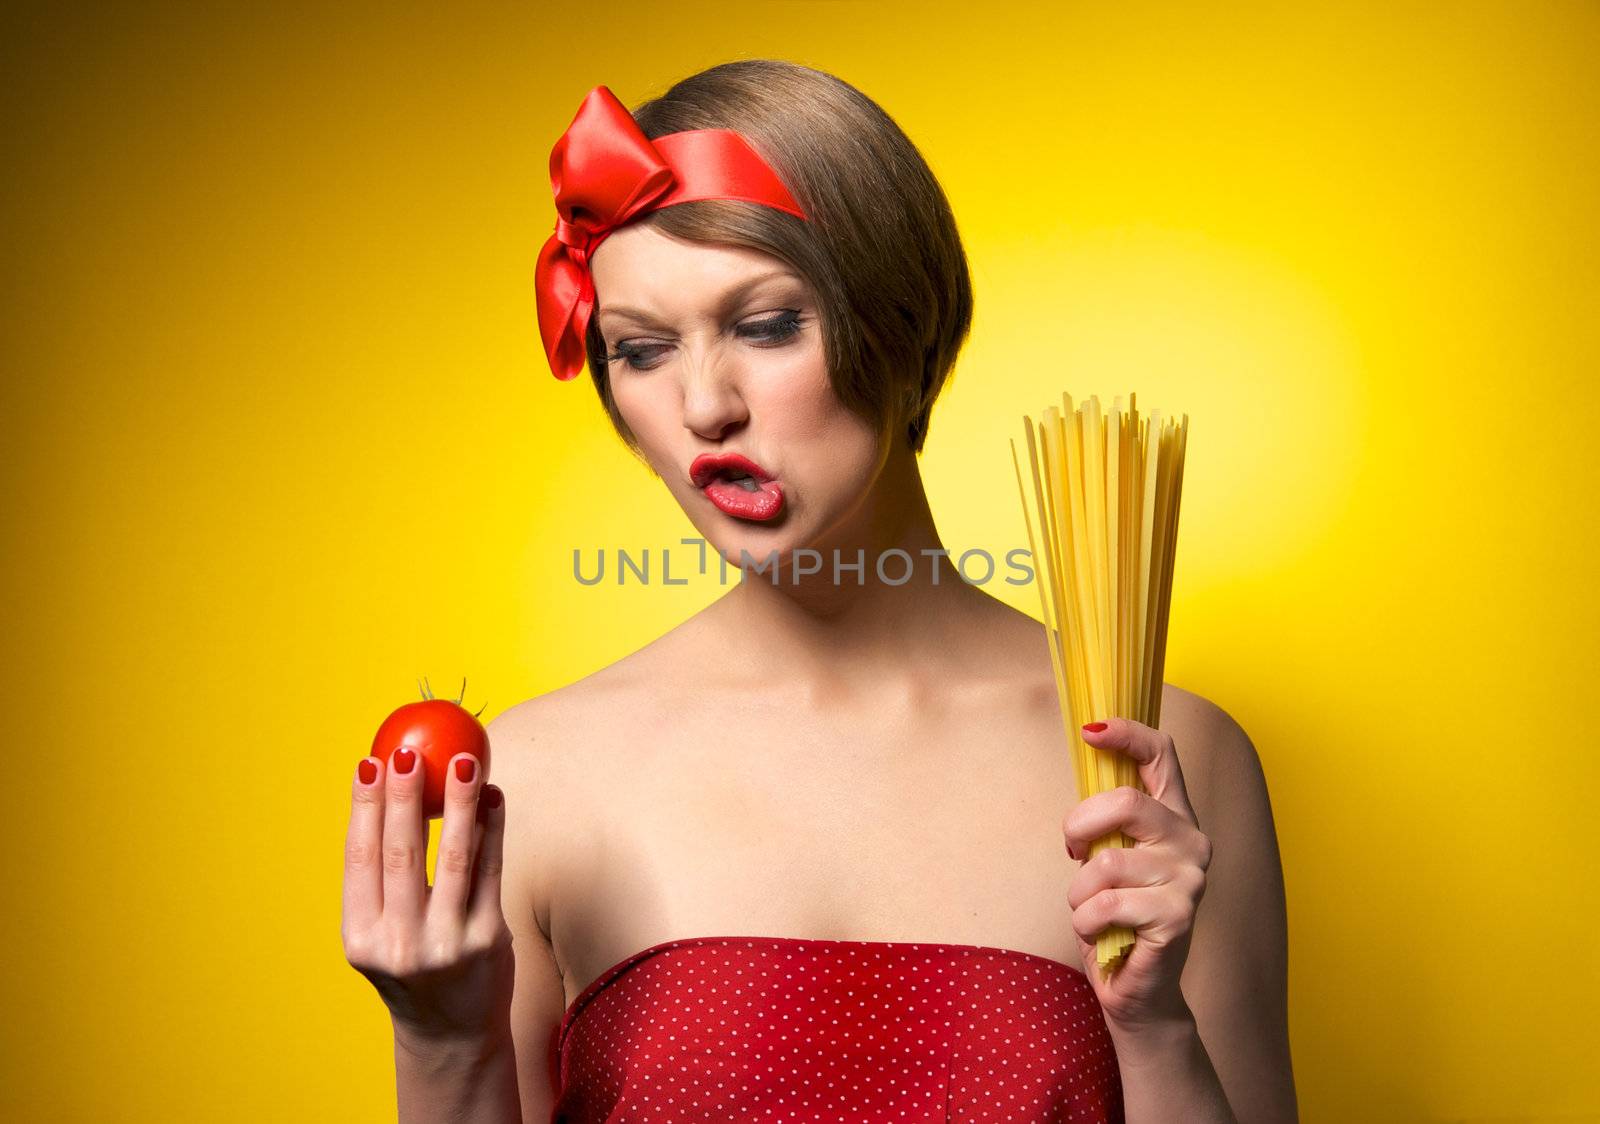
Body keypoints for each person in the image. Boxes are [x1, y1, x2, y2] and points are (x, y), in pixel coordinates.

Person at [341, 59, 1296, 1124]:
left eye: (765, 325)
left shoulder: (1155, 759)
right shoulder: (534, 779)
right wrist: (438, 1041)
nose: (703, 405)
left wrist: (1155, 1028)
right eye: (642, 349)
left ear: (899, 322)